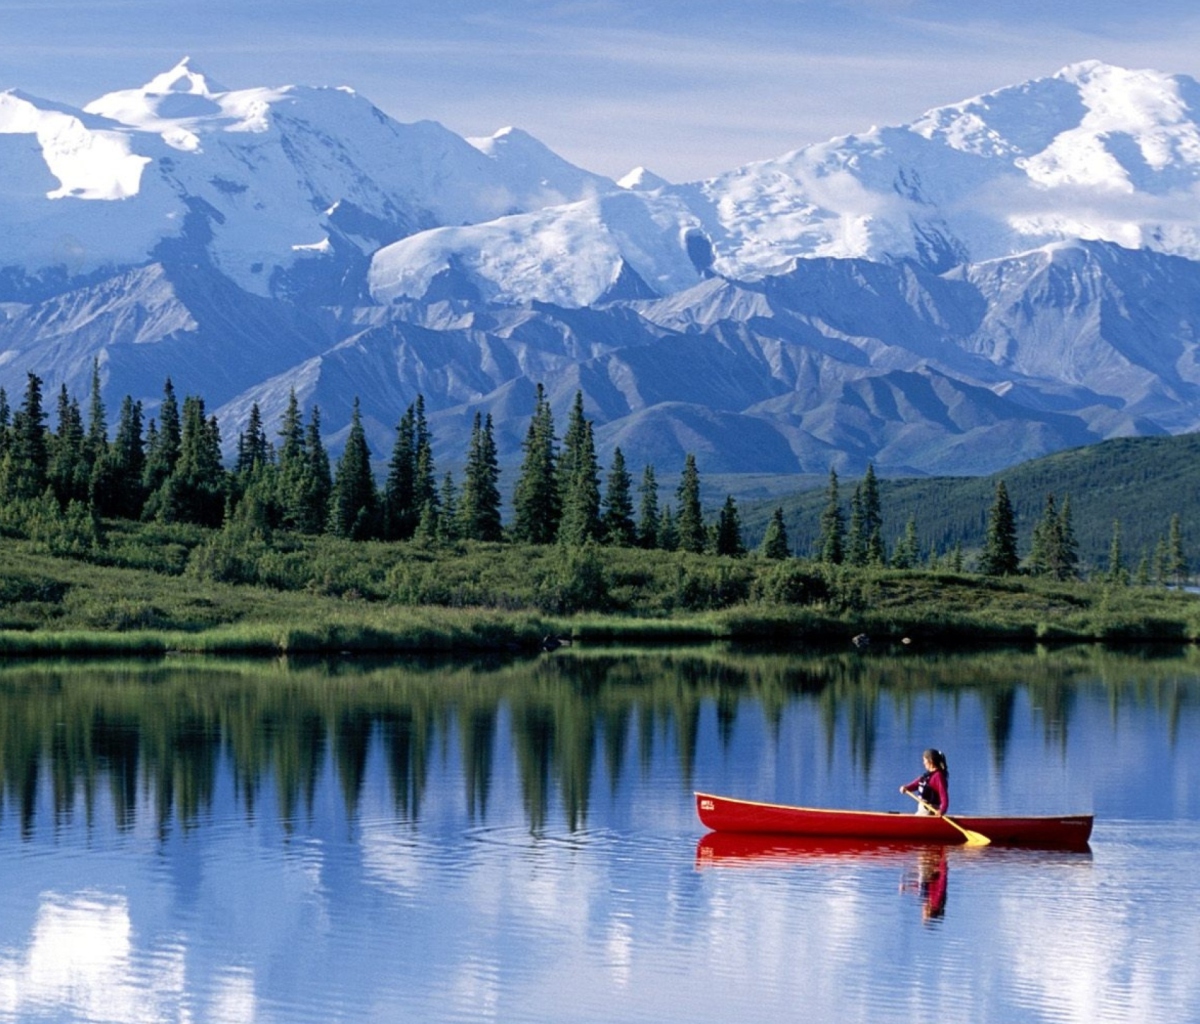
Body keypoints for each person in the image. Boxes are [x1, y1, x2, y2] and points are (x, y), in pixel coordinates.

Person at [900, 748, 949, 816]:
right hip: (922, 810)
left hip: (929, 811)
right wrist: (906, 788)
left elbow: (944, 796)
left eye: (924, 760)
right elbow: (916, 784)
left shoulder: (938, 777)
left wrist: (942, 810)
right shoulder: (927, 776)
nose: (923, 763)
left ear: (930, 761)